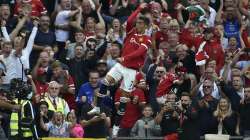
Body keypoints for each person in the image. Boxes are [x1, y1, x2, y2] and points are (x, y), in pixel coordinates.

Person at [89, 3, 151, 115]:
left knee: (124, 97)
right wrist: (138, 9)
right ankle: (97, 107)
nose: (137, 24)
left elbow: (139, 52)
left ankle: (117, 126)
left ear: (146, 26)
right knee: (105, 82)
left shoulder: (147, 39)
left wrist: (124, 58)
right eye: (137, 22)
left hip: (131, 70)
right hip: (121, 65)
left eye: (141, 23)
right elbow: (130, 20)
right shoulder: (131, 32)